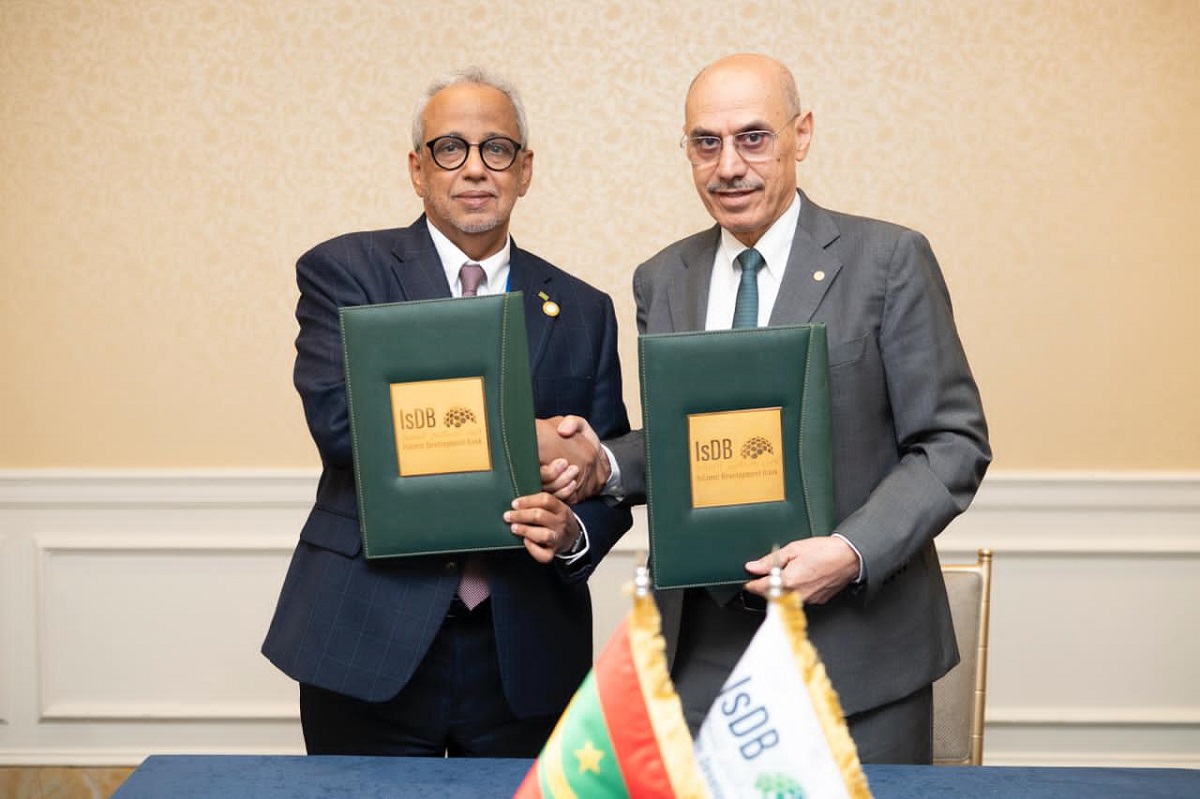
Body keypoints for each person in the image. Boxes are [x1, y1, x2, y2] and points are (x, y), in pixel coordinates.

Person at [541, 53, 990, 763]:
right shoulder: (663, 278)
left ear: (801, 134)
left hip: (859, 655)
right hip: (700, 653)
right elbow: (694, 440)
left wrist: (849, 553)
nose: (728, 166)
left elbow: (952, 444)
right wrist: (602, 461)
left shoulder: (889, 260)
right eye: (706, 143)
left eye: (753, 137)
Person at [262, 67, 632, 758]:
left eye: (497, 149)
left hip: (525, 652)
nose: (475, 168)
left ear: (525, 170)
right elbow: (346, 429)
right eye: (450, 148)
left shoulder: (584, 309)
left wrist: (572, 530)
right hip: (368, 636)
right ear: (417, 169)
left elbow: (607, 470)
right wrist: (529, 438)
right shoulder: (347, 274)